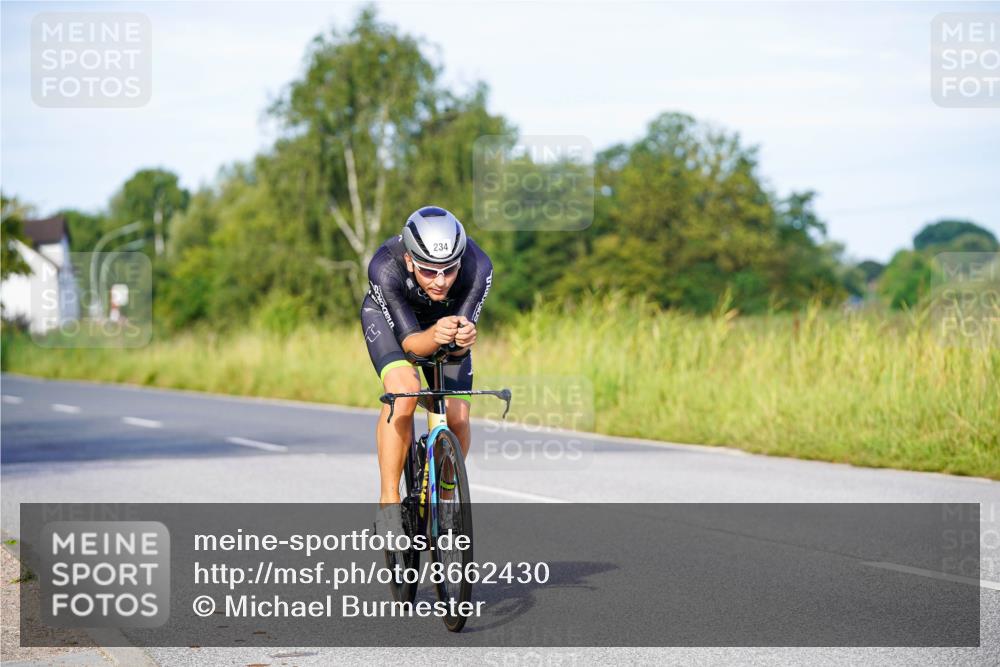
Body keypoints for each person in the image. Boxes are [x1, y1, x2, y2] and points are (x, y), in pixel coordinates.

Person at [360, 206, 492, 528]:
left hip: (440, 328)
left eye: (449, 270)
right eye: (429, 271)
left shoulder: (479, 267)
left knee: (458, 418)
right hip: (394, 324)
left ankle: (445, 498)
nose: (441, 281)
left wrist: (463, 338)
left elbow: (457, 345)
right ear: (409, 260)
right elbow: (412, 345)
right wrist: (434, 334)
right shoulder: (385, 267)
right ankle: (388, 499)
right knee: (405, 392)